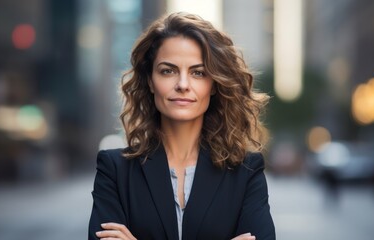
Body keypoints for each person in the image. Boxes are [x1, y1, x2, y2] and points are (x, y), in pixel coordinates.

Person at [88, 12, 275, 240]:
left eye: (198, 72)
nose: (183, 85)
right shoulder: (114, 169)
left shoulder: (246, 171)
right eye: (168, 71)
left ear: (214, 84)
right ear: (150, 80)